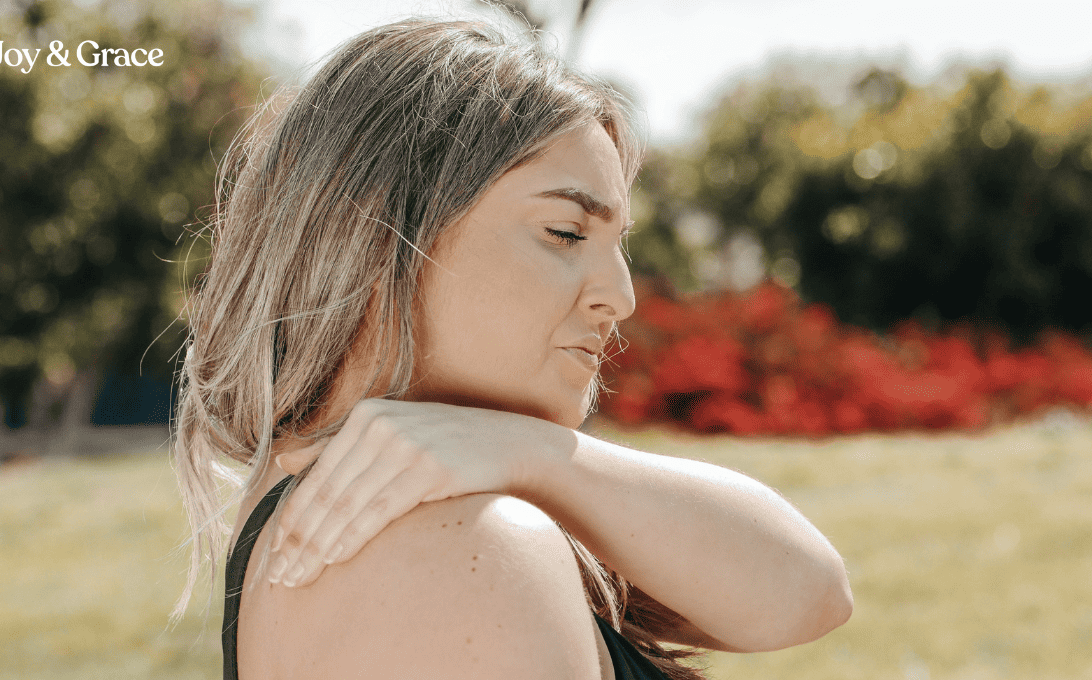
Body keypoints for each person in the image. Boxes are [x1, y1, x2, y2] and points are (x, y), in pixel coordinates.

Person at [172, 17, 853, 680]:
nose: (621, 298)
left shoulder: (391, 515)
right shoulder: (467, 549)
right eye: (565, 232)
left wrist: (529, 455)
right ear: (379, 233)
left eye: (620, 247)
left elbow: (810, 594)